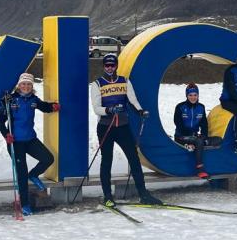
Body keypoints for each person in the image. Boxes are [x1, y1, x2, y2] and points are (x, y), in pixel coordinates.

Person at [90, 54, 162, 207]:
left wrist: (141, 111)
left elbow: (132, 100)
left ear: (116, 66)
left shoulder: (124, 81)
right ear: (103, 66)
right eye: (107, 65)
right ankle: (108, 196)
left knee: (134, 159)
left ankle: (143, 194)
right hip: (106, 127)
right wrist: (110, 109)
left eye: (112, 65)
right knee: (107, 161)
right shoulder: (97, 84)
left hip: (122, 126)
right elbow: (96, 108)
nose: (110, 68)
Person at [0, 73, 59, 215]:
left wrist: (54, 106)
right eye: (23, 84)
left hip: (30, 139)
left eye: (29, 84)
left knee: (48, 158)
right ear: (19, 85)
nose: (26, 86)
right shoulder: (10, 100)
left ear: (32, 86)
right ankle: (25, 204)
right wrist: (6, 134)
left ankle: (34, 174)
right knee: (21, 173)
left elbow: (44, 106)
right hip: (15, 142)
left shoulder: (33, 100)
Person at [173, 83, 210, 179]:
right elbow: (178, 124)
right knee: (198, 141)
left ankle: (195, 144)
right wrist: (193, 136)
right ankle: (200, 169)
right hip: (181, 136)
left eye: (195, 95)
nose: (193, 97)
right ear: (186, 95)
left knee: (217, 140)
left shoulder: (201, 107)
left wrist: (203, 135)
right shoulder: (180, 107)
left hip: (195, 137)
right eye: (190, 95)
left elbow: (204, 124)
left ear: (198, 95)